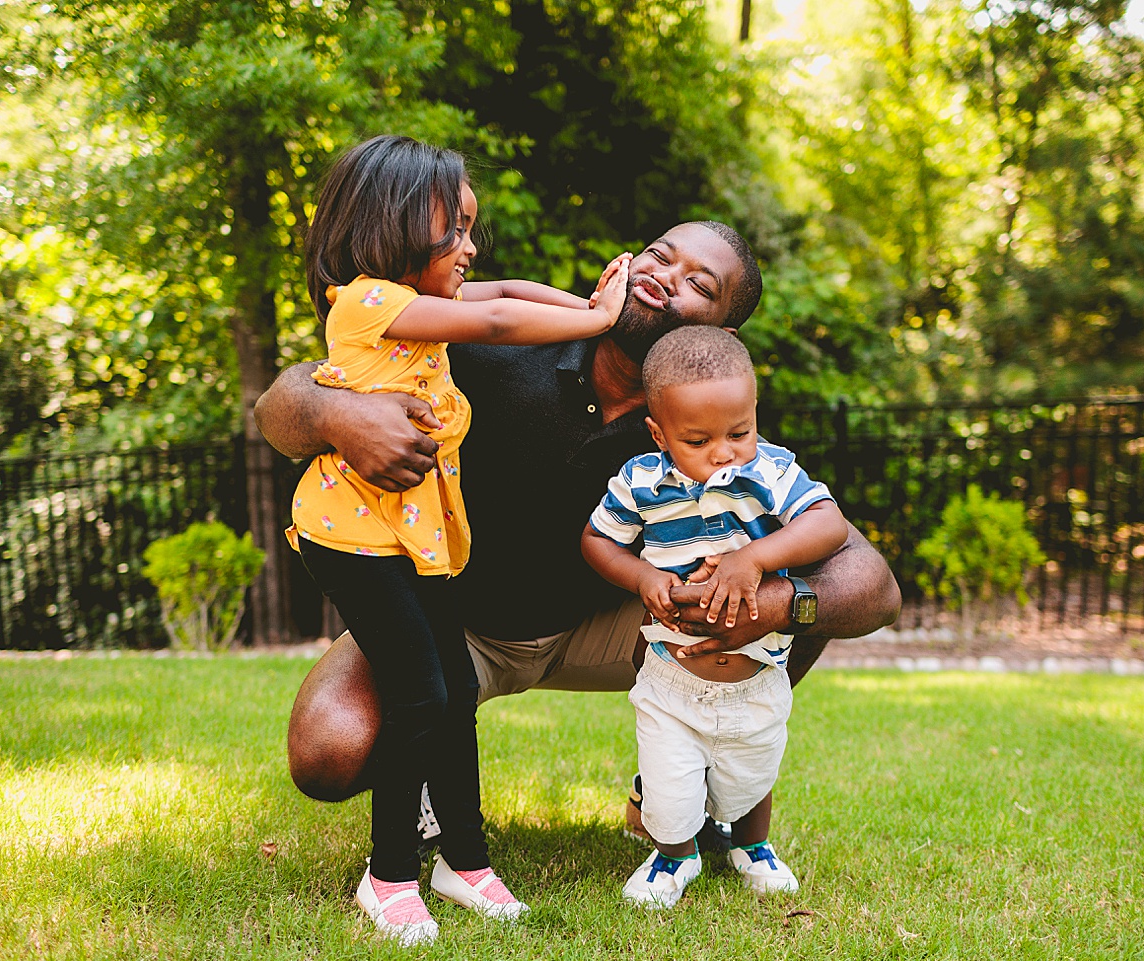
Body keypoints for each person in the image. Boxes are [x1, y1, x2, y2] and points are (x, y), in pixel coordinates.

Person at [254, 218, 901, 863]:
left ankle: (681, 788)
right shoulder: (495, 347)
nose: (663, 276)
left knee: (794, 598)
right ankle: (423, 767)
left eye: (696, 282)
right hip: (447, 622)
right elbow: (280, 405)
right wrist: (336, 412)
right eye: (659, 255)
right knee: (327, 748)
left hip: (626, 627)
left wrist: (780, 604)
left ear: (718, 334)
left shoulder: (718, 426)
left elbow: (872, 584)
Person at [288, 134, 631, 946]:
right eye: (457, 231)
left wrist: (587, 310)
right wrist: (603, 317)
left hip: (413, 535)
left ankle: (464, 860)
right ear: (396, 224)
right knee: (422, 695)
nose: (472, 249)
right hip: (357, 541)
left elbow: (507, 288)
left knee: (452, 688)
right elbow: (503, 314)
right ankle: (390, 873)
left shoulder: (422, 306)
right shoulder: (368, 301)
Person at [580, 326, 846, 908]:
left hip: (758, 670)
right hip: (671, 676)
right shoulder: (641, 482)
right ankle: (674, 854)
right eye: (698, 440)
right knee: (670, 787)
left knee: (753, 771)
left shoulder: (771, 472)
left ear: (755, 414)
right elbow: (597, 540)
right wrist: (643, 577)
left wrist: (755, 557)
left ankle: (753, 845)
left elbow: (829, 524)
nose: (724, 452)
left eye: (739, 432)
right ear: (659, 433)